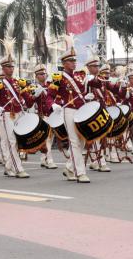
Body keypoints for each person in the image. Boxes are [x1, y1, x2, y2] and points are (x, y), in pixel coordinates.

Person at [45, 41, 102, 183]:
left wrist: (94, 75)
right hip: (68, 111)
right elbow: (49, 95)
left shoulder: (80, 75)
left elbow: (97, 84)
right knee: (75, 142)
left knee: (82, 140)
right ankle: (80, 173)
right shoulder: (58, 78)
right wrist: (53, 105)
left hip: (82, 110)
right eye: (70, 61)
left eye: (74, 60)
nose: (74, 63)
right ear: (64, 63)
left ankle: (70, 168)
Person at [0, 44, 32, 179]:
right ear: (3, 68)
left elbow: (29, 101)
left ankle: (8, 167)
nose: (11, 69)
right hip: (7, 114)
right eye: (8, 66)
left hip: (18, 113)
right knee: (12, 141)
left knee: (14, 141)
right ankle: (18, 168)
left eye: (12, 66)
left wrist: (31, 96)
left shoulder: (18, 82)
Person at [33, 64, 57, 169]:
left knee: (49, 139)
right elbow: (29, 102)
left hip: (51, 114)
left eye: (44, 73)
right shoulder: (33, 87)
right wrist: (34, 95)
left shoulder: (50, 85)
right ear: (36, 76)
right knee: (46, 138)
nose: (43, 75)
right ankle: (49, 159)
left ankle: (43, 158)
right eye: (41, 74)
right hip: (41, 116)